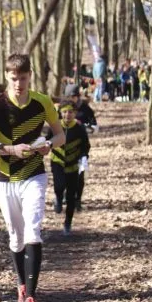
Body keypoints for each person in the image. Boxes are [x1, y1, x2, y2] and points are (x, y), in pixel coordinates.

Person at [0, 53, 65, 302]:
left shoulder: (42, 102)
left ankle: (31, 297)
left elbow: (60, 135)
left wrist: (48, 144)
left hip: (34, 174)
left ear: (30, 76)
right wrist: (10, 149)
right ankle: (22, 287)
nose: (18, 84)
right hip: (5, 178)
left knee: (33, 230)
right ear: (6, 77)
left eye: (23, 78)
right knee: (16, 236)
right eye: (13, 78)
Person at [50, 101, 90, 236]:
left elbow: (85, 146)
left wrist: (84, 157)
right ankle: (58, 197)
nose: (68, 114)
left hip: (73, 165)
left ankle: (68, 223)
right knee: (59, 186)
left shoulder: (79, 129)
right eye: (65, 112)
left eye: (71, 112)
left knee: (71, 196)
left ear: (75, 113)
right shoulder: (55, 127)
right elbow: (47, 140)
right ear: (60, 113)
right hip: (57, 162)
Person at [63, 84, 98, 212]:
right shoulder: (61, 109)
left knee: (79, 174)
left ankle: (77, 200)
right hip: (64, 146)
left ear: (77, 96)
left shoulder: (86, 109)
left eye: (73, 96)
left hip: (81, 147)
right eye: (68, 97)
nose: (71, 99)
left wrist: (82, 125)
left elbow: (95, 127)